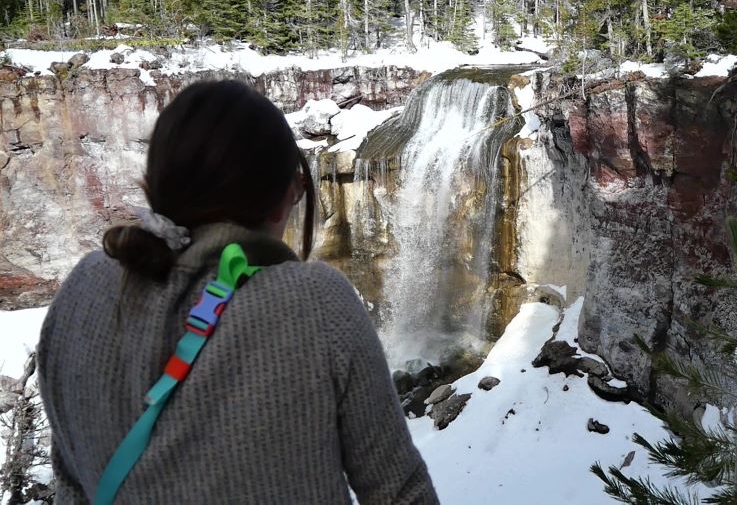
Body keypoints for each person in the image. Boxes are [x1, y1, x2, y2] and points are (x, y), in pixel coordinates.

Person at [37, 80, 438, 504]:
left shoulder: (82, 289)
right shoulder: (315, 303)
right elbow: (399, 492)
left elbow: (72, 481)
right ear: (284, 198)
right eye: (299, 188)